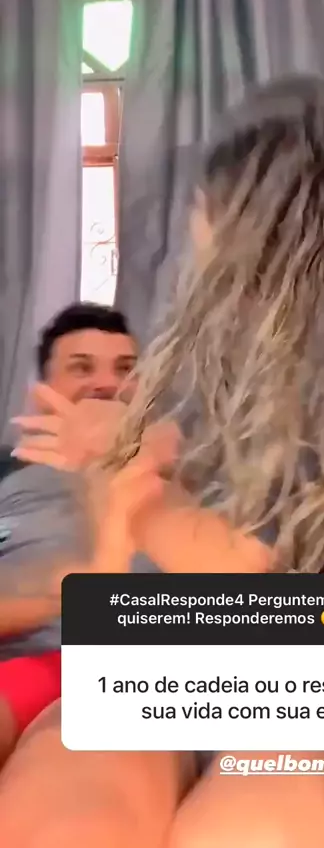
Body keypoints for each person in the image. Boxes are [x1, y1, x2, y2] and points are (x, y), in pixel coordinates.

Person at [2, 75, 324, 847]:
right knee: (112, 679)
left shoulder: (308, 335)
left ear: (230, 210)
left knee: (110, 684)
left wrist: (123, 467)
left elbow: (249, 574)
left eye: (199, 207)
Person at [0, 303, 166, 765]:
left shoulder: (193, 475)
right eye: (81, 367)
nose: (106, 384)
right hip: (25, 658)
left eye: (125, 369)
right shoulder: (6, 476)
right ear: (43, 388)